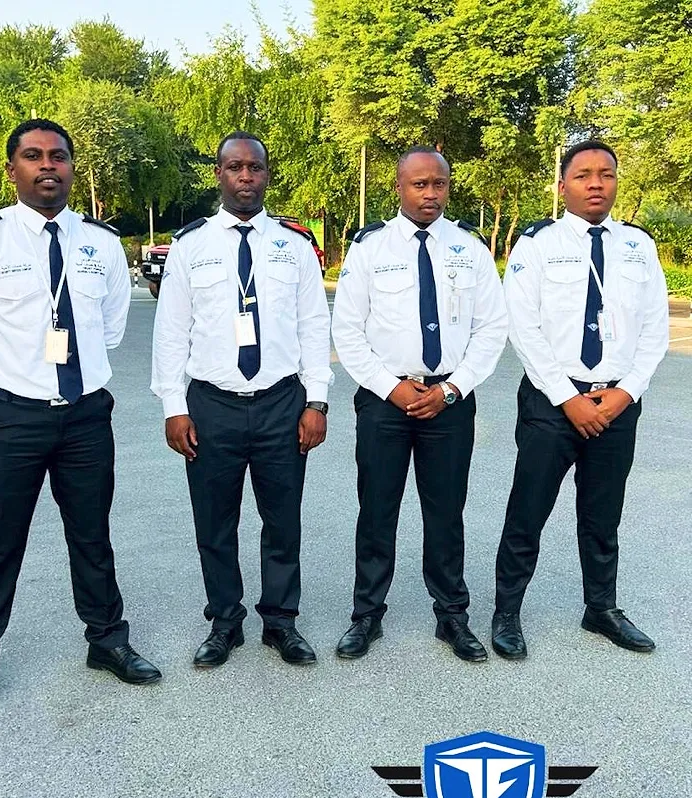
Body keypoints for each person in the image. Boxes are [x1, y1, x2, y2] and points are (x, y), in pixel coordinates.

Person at [0, 118, 161, 724]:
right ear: (13, 169)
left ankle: (107, 641)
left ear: (71, 167)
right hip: (13, 416)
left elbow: (113, 321)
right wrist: (11, 375)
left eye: (58, 157)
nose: (47, 166)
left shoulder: (100, 242)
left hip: (86, 415)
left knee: (91, 534)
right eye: (34, 156)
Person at [151, 131, 332, 668]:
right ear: (219, 175)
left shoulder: (294, 245)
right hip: (212, 404)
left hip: (281, 401)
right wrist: (173, 407)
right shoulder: (191, 245)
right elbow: (170, 331)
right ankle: (225, 622)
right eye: (235, 167)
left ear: (267, 175)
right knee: (215, 521)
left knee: (283, 520)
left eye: (255, 167)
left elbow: (313, 325)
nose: (246, 177)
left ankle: (281, 622)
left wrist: (316, 402)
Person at [492, 140, 669, 659]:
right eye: (585, 174)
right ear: (562, 184)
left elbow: (654, 331)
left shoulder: (638, 246)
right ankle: (507, 611)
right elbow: (523, 328)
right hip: (553, 403)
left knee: (602, 513)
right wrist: (569, 399)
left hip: (617, 402)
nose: (597, 183)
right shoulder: (537, 243)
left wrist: (624, 393)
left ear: (617, 182)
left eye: (607, 174)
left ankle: (602, 608)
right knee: (528, 510)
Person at [331, 146, 508, 661]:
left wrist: (453, 389)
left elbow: (491, 327)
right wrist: (393, 387)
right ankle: (366, 617)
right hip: (386, 400)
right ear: (398, 187)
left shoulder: (469, 248)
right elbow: (348, 329)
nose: (430, 194)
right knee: (377, 511)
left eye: (439, 184)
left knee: (446, 512)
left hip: (449, 399)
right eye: (419, 185)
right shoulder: (370, 248)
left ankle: (452, 616)